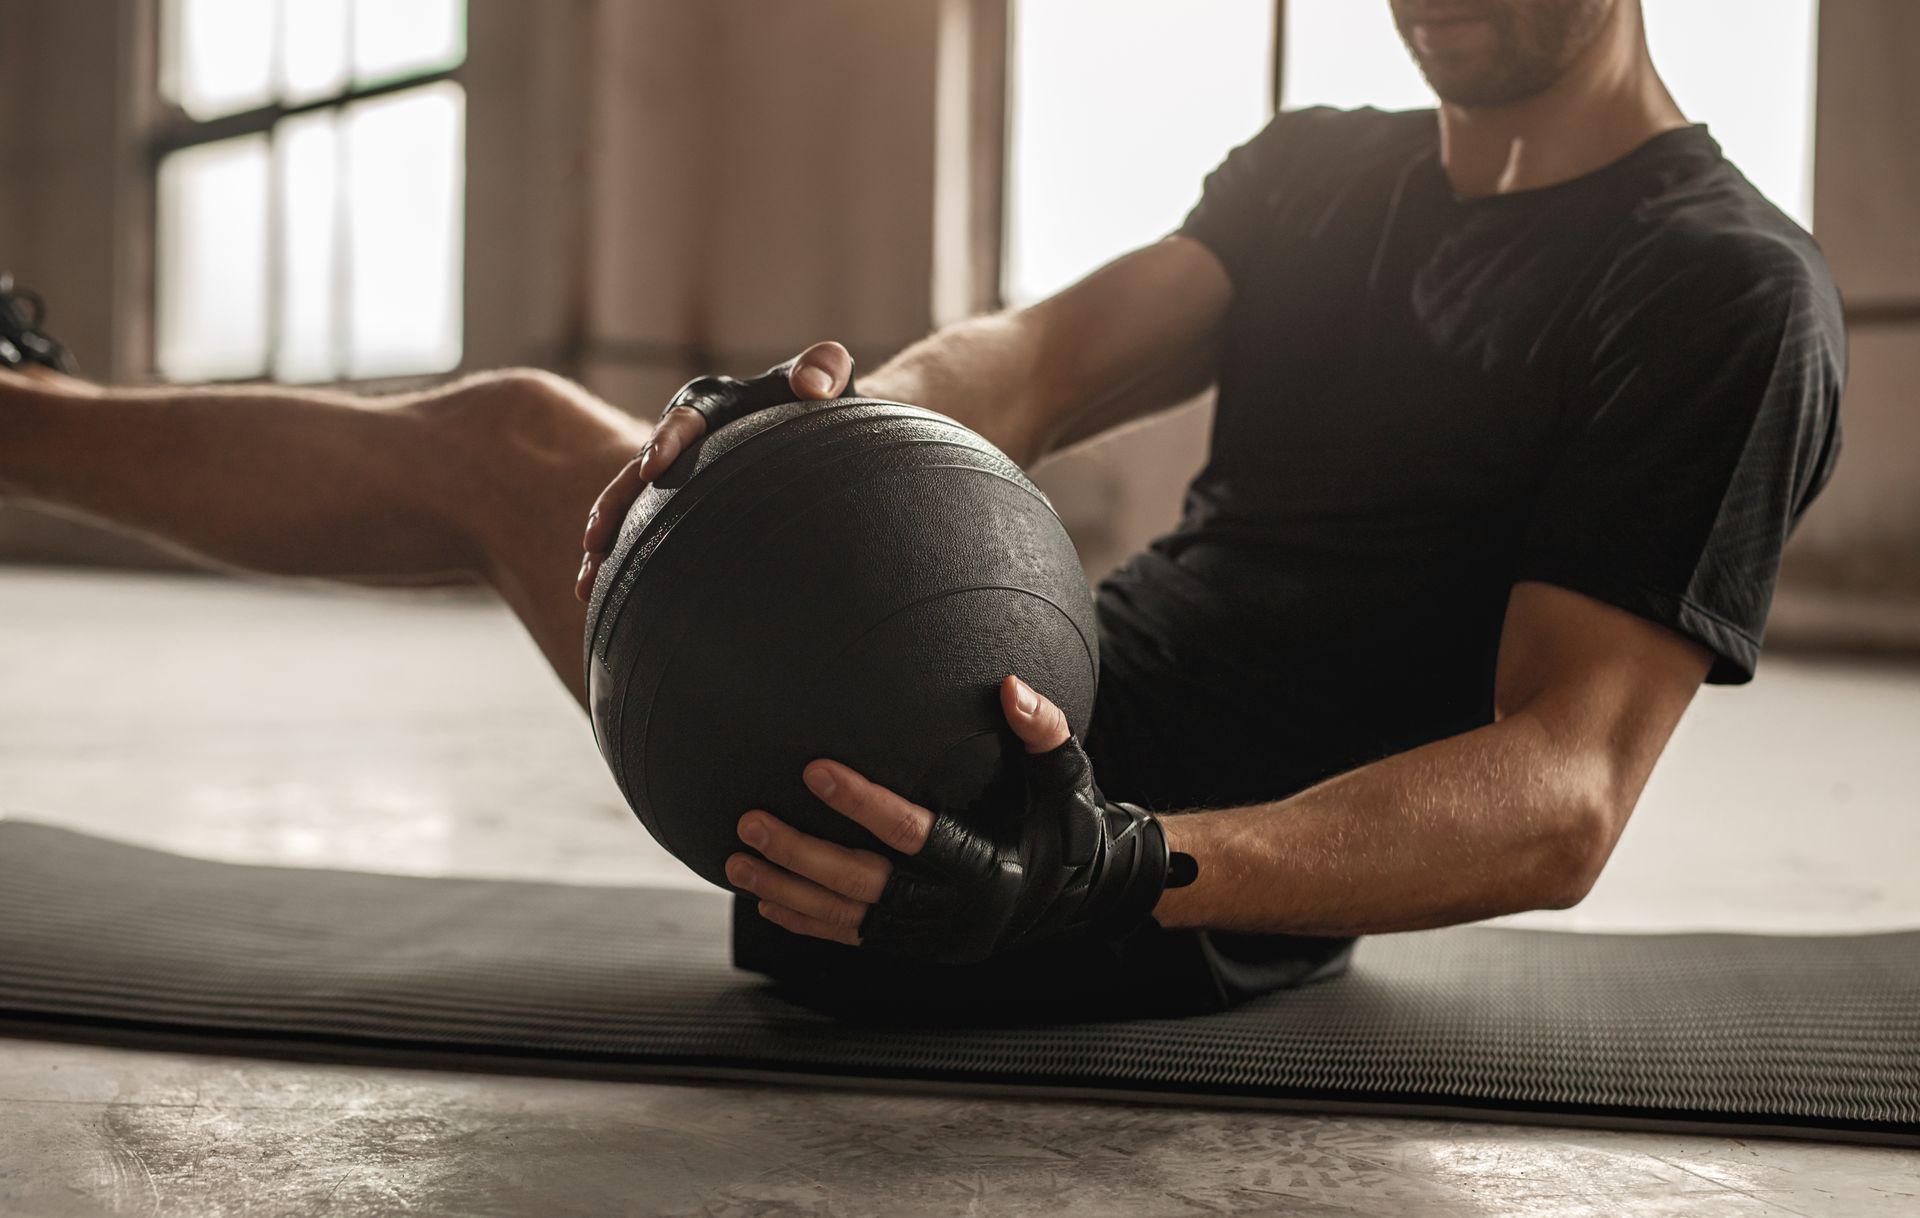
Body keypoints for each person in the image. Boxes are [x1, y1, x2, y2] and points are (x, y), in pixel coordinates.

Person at [0, 0, 1841, 1019]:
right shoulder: (1320, 174)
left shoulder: (1717, 289)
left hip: (1111, 868)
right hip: (999, 696)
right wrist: (822, 428)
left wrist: (1121, 859)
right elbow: (1026, 361)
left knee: (496, 444)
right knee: (522, 437)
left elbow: (1565, 788)